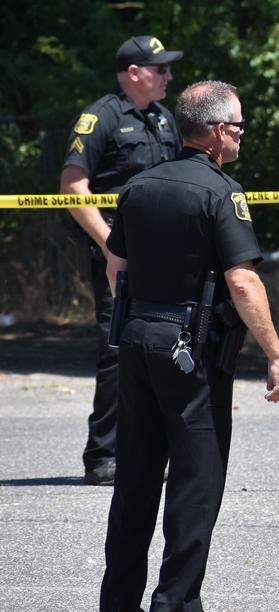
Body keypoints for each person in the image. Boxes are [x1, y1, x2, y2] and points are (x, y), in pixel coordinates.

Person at [95, 80, 279, 612]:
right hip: (191, 347)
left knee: (135, 473)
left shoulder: (137, 187)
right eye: (238, 127)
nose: (241, 136)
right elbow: (242, 279)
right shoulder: (221, 192)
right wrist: (275, 355)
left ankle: (117, 607)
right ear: (214, 133)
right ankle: (175, 608)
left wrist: (139, 316)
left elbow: (117, 266)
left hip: (135, 338)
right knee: (195, 477)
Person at [60, 35, 183, 486]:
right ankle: (103, 454)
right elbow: (73, 188)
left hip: (167, 252)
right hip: (119, 252)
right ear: (135, 73)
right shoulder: (100, 117)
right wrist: (112, 245)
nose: (169, 76)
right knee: (118, 351)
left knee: (168, 345)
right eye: (161, 69)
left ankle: (154, 448)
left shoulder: (165, 119)